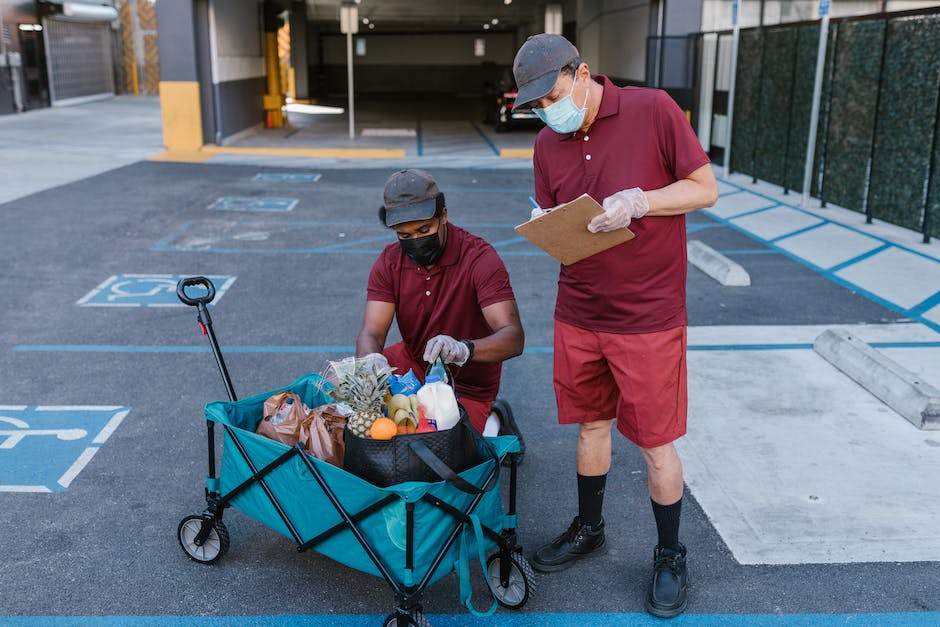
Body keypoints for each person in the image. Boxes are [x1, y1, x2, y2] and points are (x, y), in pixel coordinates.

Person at [512, 34, 718, 618]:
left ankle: (671, 554)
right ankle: (589, 527)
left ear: (583, 74)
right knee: (590, 428)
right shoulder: (548, 143)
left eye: (551, 96)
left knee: (655, 444)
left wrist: (640, 201)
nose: (547, 111)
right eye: (535, 105)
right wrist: (546, 224)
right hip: (579, 309)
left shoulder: (653, 109)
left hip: (647, 316)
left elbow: (706, 189)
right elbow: (556, 218)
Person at [356, 168, 526, 456]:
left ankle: (496, 417)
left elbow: (513, 337)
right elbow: (372, 331)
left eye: (424, 231)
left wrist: (463, 349)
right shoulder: (389, 262)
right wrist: (370, 363)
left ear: (443, 215)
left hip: (468, 381)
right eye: (404, 235)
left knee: (448, 453)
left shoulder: (480, 259)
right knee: (358, 421)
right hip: (413, 362)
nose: (415, 241)